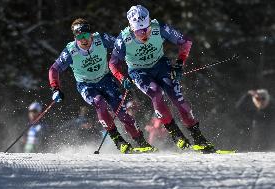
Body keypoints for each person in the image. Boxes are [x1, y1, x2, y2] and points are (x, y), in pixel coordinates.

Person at [109, 5, 214, 152]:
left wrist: (179, 64)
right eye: (139, 31)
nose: (144, 34)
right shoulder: (123, 39)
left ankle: (198, 137)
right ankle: (175, 133)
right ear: (132, 28)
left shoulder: (160, 28)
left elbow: (186, 42)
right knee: (156, 92)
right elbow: (113, 64)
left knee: (178, 99)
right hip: (139, 72)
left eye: (146, 29)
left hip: (161, 66)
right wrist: (122, 78)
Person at [48, 18, 156, 154]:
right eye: (79, 37)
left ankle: (141, 142)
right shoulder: (70, 51)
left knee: (122, 113)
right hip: (86, 85)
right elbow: (54, 69)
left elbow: (122, 43)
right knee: (99, 102)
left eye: (86, 35)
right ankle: (119, 141)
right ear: (75, 37)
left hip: (106, 80)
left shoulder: (101, 39)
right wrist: (55, 88)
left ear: (91, 34)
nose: (84, 40)